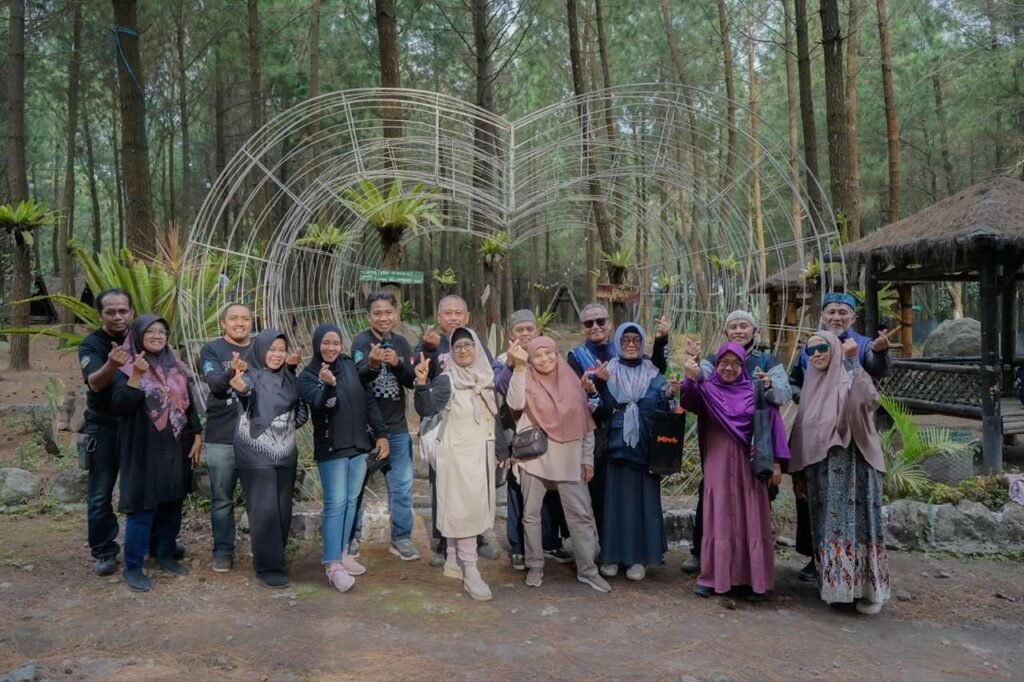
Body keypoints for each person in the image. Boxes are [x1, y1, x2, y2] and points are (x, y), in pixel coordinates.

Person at [789, 292, 892, 582]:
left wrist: (881, 353)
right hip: (814, 431)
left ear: (853, 317)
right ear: (822, 315)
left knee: (846, 508)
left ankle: (851, 572)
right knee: (814, 503)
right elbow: (798, 380)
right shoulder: (812, 344)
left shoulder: (859, 346)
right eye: (831, 312)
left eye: (842, 312)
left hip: (850, 436)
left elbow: (872, 377)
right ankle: (817, 558)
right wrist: (807, 400)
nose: (836, 317)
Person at [681, 310, 792, 576]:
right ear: (726, 332)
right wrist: (691, 366)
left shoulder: (767, 360)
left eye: (745, 326)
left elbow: (783, 395)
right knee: (712, 501)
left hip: (753, 449)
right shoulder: (713, 360)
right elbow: (703, 384)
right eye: (733, 326)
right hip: (719, 446)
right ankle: (704, 555)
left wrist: (769, 389)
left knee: (752, 507)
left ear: (755, 331)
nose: (739, 331)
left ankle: (750, 568)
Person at [505, 336, 610, 593]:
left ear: (556, 353)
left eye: (548, 353)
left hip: (570, 458)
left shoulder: (572, 380)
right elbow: (515, 403)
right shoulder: (525, 377)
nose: (544, 360)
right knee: (531, 515)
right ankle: (535, 565)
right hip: (535, 458)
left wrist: (587, 458)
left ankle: (587, 569)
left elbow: (585, 423)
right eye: (537, 356)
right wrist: (519, 367)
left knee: (581, 516)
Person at [111, 314, 202, 592]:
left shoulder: (177, 367)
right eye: (150, 331)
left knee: (173, 500)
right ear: (138, 335)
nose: (156, 335)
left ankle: (164, 553)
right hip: (143, 448)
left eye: (162, 331)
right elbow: (119, 405)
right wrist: (137, 376)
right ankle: (134, 566)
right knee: (143, 506)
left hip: (176, 445)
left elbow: (189, 406)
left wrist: (198, 433)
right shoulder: (125, 366)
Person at [297, 324, 389, 593]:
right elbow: (319, 403)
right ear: (317, 344)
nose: (331, 348)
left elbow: (367, 400)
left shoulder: (348, 365)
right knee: (336, 503)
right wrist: (328, 386)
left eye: (336, 342)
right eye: (326, 342)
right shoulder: (308, 376)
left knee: (351, 501)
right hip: (332, 448)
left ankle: (343, 551)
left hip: (358, 445)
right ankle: (331, 564)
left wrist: (380, 434)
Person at [414, 327, 503, 601]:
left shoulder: (485, 378)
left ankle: (453, 559)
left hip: (480, 456)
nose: (463, 350)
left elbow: (494, 418)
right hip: (457, 457)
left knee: (465, 511)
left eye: (468, 345)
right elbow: (426, 409)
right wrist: (420, 384)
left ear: (477, 348)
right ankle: (471, 571)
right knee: (464, 514)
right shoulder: (447, 381)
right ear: (450, 352)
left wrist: (501, 451)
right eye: (457, 347)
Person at [228, 329, 308, 588]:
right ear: (260, 350)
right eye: (271, 349)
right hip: (255, 454)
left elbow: (300, 412)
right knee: (265, 511)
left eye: (281, 350)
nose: (276, 354)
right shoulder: (249, 376)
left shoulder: (289, 378)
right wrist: (240, 388)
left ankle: (276, 559)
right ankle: (267, 566)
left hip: (285, 453)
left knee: (283, 509)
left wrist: (283, 428)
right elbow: (244, 391)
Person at [496, 309, 572, 571]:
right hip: (517, 435)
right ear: (511, 334)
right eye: (520, 330)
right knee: (518, 491)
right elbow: (501, 390)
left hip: (550, 434)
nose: (526, 334)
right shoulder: (502, 361)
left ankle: (550, 540)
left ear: (538, 332)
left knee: (550, 489)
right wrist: (511, 364)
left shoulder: (547, 356)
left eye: (530, 329)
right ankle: (518, 547)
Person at [592, 323, 668, 580]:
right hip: (615, 450)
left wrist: (671, 395)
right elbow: (600, 410)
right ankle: (611, 555)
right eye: (626, 340)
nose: (632, 344)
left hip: (645, 450)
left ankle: (638, 558)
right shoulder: (607, 371)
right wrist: (600, 386)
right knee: (613, 504)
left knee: (642, 504)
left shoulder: (654, 374)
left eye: (637, 339)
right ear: (618, 342)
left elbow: (663, 408)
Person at [350, 292, 420, 561]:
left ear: (395, 314)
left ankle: (401, 537)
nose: (383, 318)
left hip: (397, 427)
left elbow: (413, 381)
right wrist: (373, 364)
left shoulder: (402, 343)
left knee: (401, 486)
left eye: (388, 312)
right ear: (369, 316)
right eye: (377, 313)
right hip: (365, 429)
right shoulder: (361, 342)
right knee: (357, 486)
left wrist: (397, 363)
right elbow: (355, 379)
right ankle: (352, 536)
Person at [78, 289, 133, 576]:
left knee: (144, 487)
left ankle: (153, 542)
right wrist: (112, 364)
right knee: (100, 494)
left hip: (138, 425)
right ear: (100, 315)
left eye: (122, 311)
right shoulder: (91, 345)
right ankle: (104, 550)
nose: (117, 316)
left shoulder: (143, 336)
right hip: (104, 426)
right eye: (110, 312)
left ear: (131, 312)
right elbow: (95, 383)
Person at [198, 303, 253, 572]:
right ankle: (223, 550)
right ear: (223, 323)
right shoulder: (211, 350)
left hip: (257, 435)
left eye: (245, 318)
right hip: (221, 435)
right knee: (222, 497)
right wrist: (232, 371)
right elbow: (216, 385)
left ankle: (263, 546)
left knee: (258, 496)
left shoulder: (261, 349)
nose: (240, 323)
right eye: (234, 319)